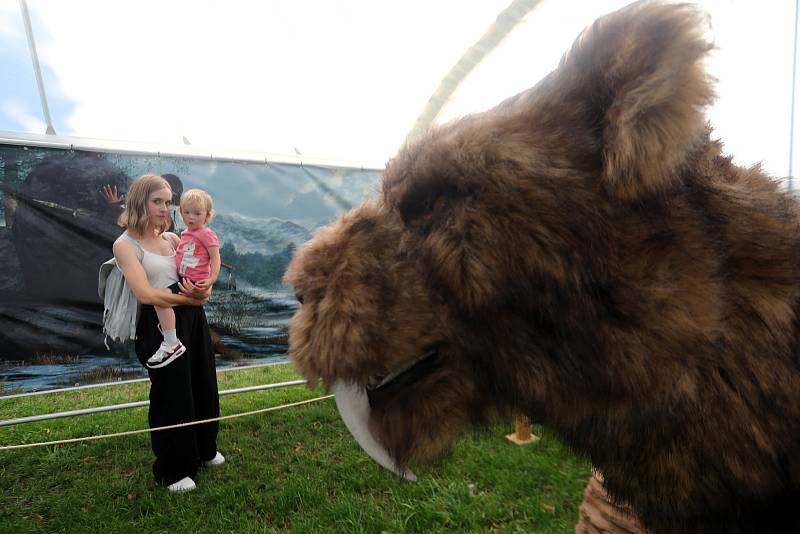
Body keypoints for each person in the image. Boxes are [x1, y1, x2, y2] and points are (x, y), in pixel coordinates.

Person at [112, 174, 223, 493]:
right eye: (157, 201)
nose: (165, 208)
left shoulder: (174, 239)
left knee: (202, 383)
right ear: (139, 202)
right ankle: (174, 469)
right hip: (159, 328)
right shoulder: (125, 245)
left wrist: (204, 288)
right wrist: (188, 298)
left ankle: (205, 449)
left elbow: (201, 270)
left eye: (168, 201)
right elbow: (146, 295)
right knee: (171, 396)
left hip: (192, 321)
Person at [146, 188, 221, 368]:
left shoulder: (206, 233)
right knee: (165, 301)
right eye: (187, 212)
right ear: (180, 212)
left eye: (197, 213)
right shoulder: (185, 234)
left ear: (207, 215)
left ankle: (171, 342)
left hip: (195, 281)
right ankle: (168, 328)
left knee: (160, 299)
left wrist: (211, 280)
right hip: (184, 279)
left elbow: (215, 258)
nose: (191, 217)